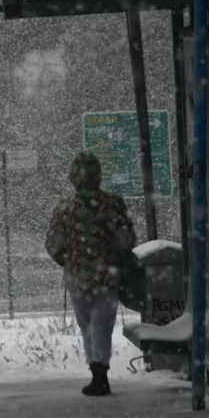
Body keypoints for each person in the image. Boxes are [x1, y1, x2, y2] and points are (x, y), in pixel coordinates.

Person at [45, 151, 136, 396]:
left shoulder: (65, 207)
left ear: (73, 177)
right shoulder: (114, 203)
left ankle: (96, 372)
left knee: (88, 326)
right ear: (99, 175)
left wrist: (68, 259)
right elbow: (128, 239)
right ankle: (101, 371)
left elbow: (52, 244)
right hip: (108, 275)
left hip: (77, 277)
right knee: (102, 325)